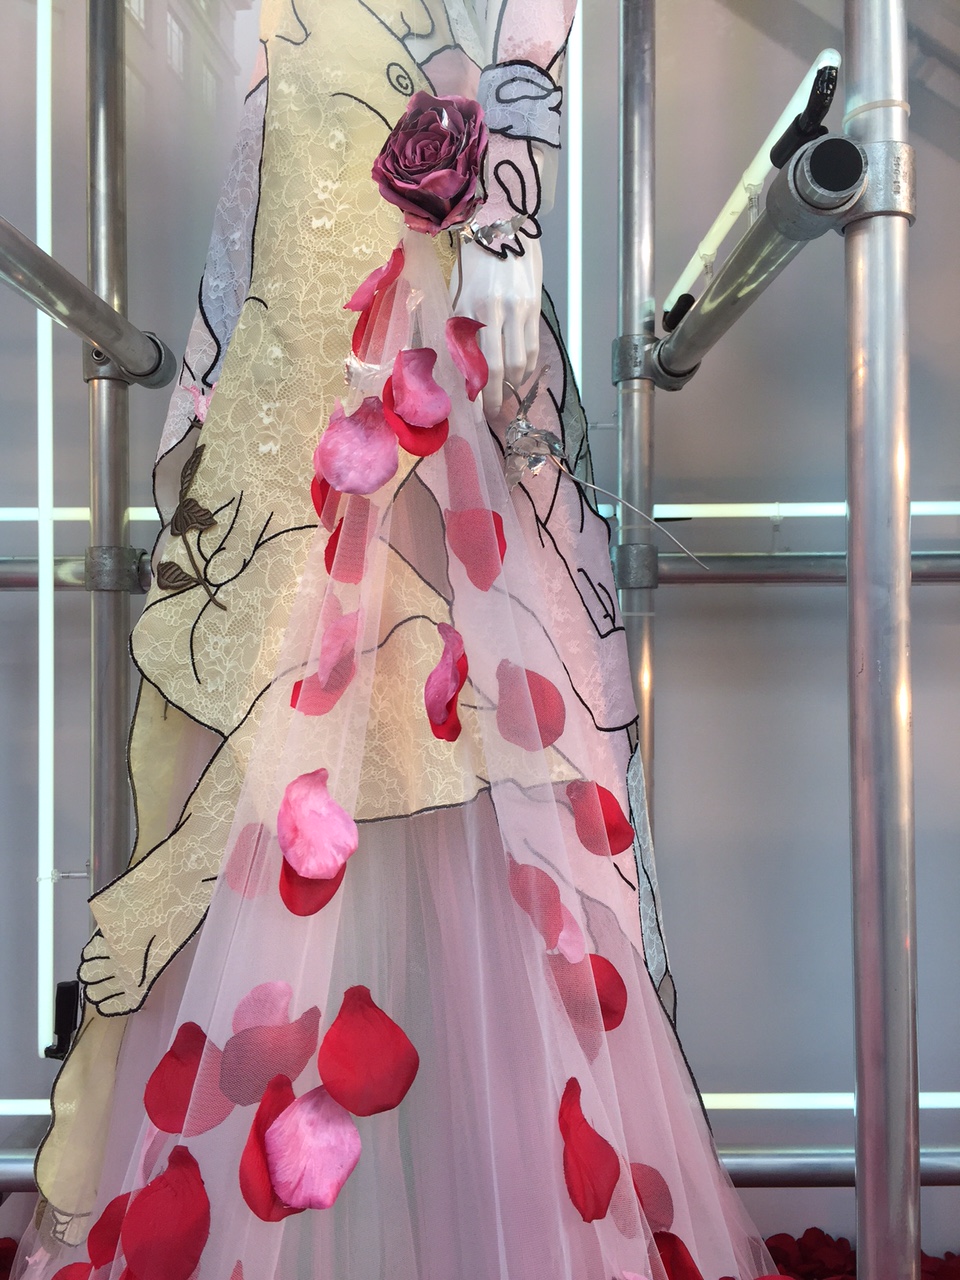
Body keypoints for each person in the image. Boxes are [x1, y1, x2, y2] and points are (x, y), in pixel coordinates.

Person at [12, 1, 776, 1276]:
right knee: (267, 747)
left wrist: (504, 223)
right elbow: (265, 137)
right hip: (292, 335)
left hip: (432, 326)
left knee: (459, 730)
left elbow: (522, 48)